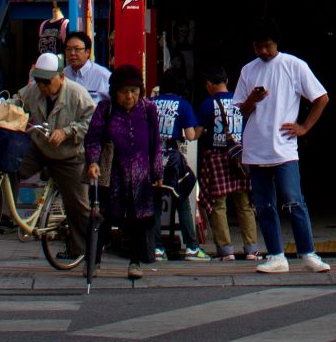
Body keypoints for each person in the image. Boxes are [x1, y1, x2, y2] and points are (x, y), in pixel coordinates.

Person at [232, 23, 331, 275]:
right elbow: (241, 109)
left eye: (267, 45)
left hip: (284, 148)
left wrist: (304, 127)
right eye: (258, 46)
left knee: (294, 201)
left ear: (277, 43)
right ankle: (276, 255)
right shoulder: (248, 70)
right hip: (256, 147)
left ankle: (308, 253)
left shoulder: (293, 65)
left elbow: (321, 98)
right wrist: (252, 100)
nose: (263, 51)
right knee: (264, 204)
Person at [87, 65, 165, 279]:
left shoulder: (148, 109)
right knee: (103, 216)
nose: (129, 96)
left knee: (138, 220)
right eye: (123, 91)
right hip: (112, 174)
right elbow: (94, 138)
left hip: (140, 175)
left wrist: (157, 172)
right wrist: (92, 162)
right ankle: (94, 261)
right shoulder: (105, 108)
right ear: (114, 92)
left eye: (134, 90)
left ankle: (135, 262)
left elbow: (155, 143)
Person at [18, 50, 96, 261]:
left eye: (47, 82)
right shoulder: (33, 91)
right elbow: (17, 101)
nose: (43, 87)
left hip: (69, 155)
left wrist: (67, 132)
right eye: (39, 81)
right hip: (40, 146)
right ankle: (7, 213)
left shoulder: (77, 94)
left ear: (61, 76)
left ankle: (87, 250)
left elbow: (91, 123)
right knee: (11, 167)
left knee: (78, 206)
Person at [197, 69, 258, 260]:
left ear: (208, 84)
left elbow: (197, 133)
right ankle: (251, 249)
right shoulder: (240, 101)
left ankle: (226, 251)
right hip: (240, 158)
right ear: (227, 80)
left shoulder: (208, 104)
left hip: (216, 158)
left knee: (218, 205)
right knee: (245, 205)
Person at [150, 70, 207, 261]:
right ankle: (191, 247)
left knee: (155, 204)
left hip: (152, 158)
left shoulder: (150, 104)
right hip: (173, 160)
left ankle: (157, 248)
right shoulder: (183, 105)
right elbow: (190, 135)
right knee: (182, 199)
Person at [63, 30, 111, 106]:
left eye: (77, 49)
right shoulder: (62, 75)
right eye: (68, 49)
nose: (72, 53)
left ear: (88, 52)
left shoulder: (103, 75)